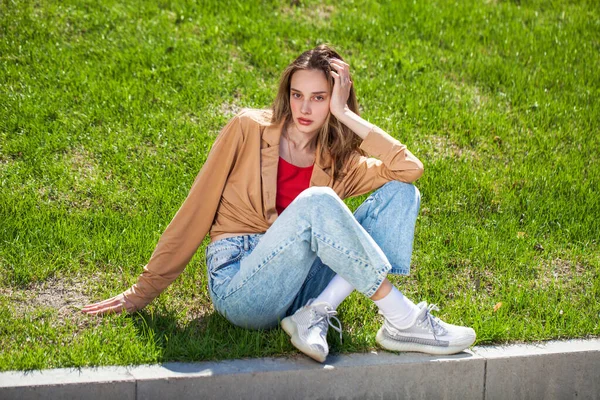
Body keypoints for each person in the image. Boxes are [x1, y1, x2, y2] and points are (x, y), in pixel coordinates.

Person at [82, 44, 476, 363]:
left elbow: (408, 170)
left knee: (400, 194)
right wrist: (142, 291)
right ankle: (402, 318)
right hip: (241, 283)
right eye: (298, 95)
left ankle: (315, 312)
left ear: (335, 101)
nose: (305, 109)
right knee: (318, 201)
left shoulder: (338, 159)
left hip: (302, 285)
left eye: (320, 98)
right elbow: (196, 208)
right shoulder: (248, 129)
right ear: (287, 93)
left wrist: (345, 116)